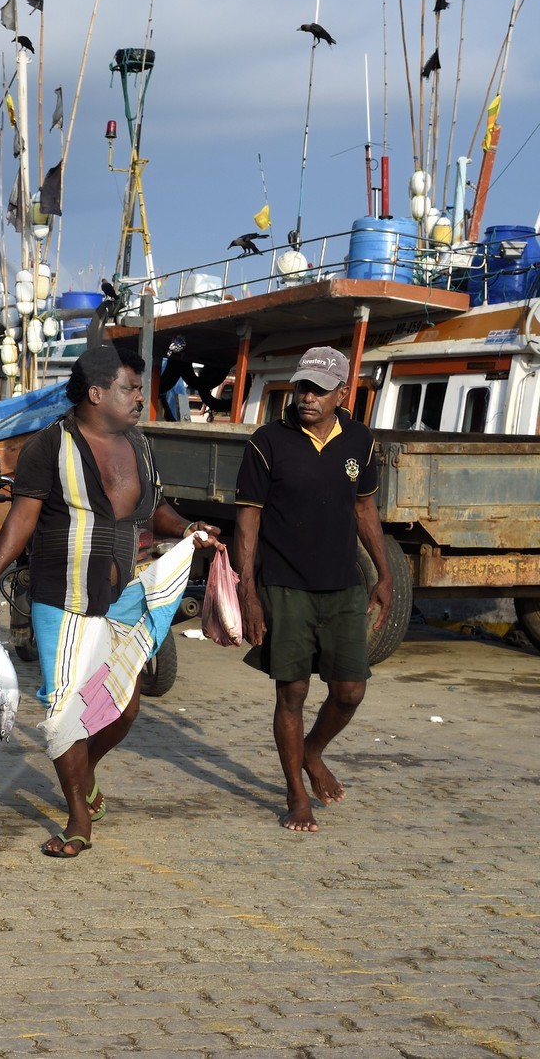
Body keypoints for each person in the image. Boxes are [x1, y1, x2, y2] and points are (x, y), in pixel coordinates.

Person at [0, 344, 218, 858]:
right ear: (96, 393)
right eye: (130, 389)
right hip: (63, 599)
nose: (140, 400)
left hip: (123, 596)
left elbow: (155, 509)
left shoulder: (139, 443)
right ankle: (79, 816)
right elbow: (21, 519)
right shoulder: (47, 447)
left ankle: (85, 774)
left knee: (123, 708)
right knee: (63, 711)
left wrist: (189, 527)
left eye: (140, 390)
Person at [233, 345, 392, 833]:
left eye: (320, 390)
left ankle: (313, 753)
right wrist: (249, 590)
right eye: (303, 386)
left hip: (343, 584)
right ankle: (295, 794)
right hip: (284, 585)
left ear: (343, 393)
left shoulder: (360, 442)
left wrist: (384, 576)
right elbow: (248, 521)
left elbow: (365, 510)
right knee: (293, 693)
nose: (307, 397)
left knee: (350, 690)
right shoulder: (268, 442)